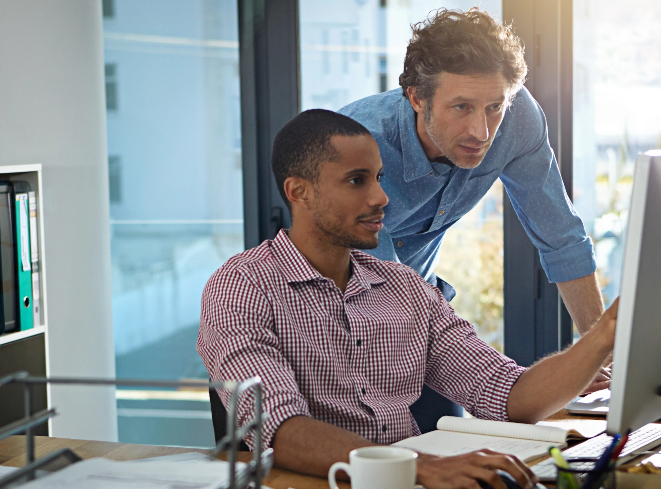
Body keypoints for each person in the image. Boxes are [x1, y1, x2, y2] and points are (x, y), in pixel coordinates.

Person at [197, 109, 618, 489]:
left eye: (379, 178)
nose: (381, 198)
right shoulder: (242, 288)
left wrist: (603, 338)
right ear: (299, 192)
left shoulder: (405, 287)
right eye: (356, 180)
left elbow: (507, 394)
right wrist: (420, 466)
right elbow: (278, 429)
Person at [337, 7, 609, 429]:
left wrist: (600, 355)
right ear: (416, 97)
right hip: (340, 324)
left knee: (450, 443)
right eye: (461, 107)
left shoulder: (516, 118)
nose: (481, 131)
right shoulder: (360, 143)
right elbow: (383, 285)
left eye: (493, 107)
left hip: (417, 311)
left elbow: (562, 237)